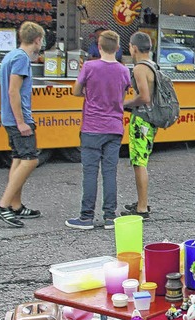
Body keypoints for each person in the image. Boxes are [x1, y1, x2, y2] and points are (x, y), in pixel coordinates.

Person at [65, 30, 131, 230]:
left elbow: (76, 91)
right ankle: (110, 216)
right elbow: (123, 92)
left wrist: (89, 92)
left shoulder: (90, 66)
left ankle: (86, 217)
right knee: (110, 172)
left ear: (99, 47)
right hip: (114, 127)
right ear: (118, 48)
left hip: (92, 128)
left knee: (90, 173)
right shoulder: (124, 70)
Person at [0, 21, 45, 228]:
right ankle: (3, 205)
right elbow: (14, 91)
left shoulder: (11, 56)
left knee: (18, 158)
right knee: (30, 160)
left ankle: (16, 205)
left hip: (9, 117)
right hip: (18, 119)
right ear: (38, 39)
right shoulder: (22, 59)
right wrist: (22, 122)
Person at [120, 31, 158, 220]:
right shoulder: (153, 65)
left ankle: (142, 207)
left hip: (141, 119)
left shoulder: (139, 68)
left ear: (134, 48)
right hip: (151, 120)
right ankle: (141, 202)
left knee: (139, 163)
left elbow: (144, 97)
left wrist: (125, 104)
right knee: (141, 161)